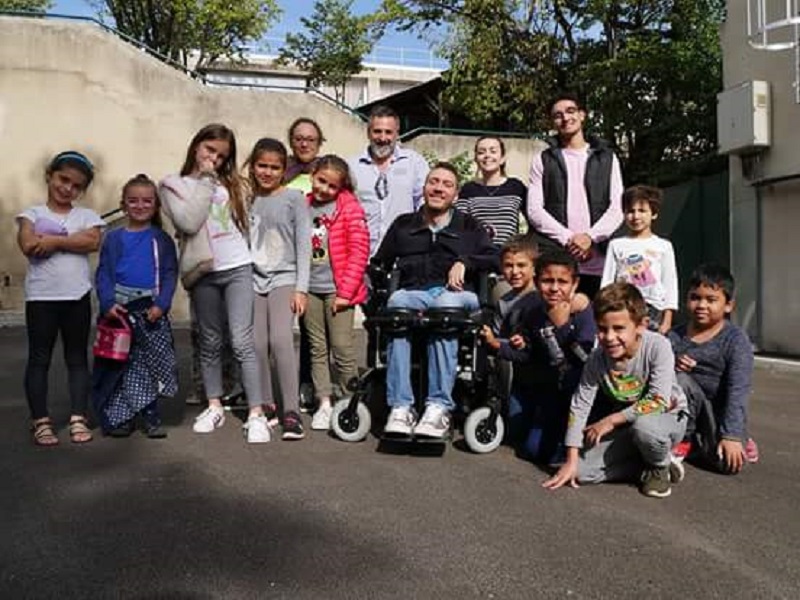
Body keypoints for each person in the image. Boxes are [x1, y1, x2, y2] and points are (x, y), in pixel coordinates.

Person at [159, 123, 269, 444]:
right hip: (203, 271)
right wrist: (206, 180)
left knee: (241, 340)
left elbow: (247, 222)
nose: (214, 159)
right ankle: (214, 404)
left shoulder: (233, 184)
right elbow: (189, 221)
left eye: (221, 156)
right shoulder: (173, 185)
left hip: (237, 267)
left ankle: (256, 413)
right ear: (196, 146)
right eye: (210, 150)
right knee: (209, 341)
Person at [375, 163, 498, 439]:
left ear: (455, 194)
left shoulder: (468, 225)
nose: (438, 188)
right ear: (425, 187)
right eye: (434, 182)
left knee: (445, 308)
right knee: (396, 305)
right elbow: (379, 262)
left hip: (456, 295)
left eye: (446, 184)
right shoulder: (404, 224)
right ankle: (401, 407)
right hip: (414, 293)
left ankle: (438, 408)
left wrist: (465, 261)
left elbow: (495, 258)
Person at [543, 282, 688, 499]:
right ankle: (644, 468)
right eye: (602, 329)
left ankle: (659, 465)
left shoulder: (658, 346)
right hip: (628, 425)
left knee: (645, 427)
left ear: (641, 325)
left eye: (619, 328)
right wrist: (572, 459)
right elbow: (580, 405)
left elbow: (658, 400)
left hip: (664, 419)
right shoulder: (597, 358)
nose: (609, 337)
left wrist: (610, 421)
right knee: (579, 474)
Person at [16, 151, 104, 446]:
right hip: (41, 298)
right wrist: (70, 242)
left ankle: (79, 418)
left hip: (77, 297)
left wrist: (53, 241)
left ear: (82, 190)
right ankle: (40, 421)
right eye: (63, 179)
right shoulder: (33, 214)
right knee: (39, 359)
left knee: (77, 359)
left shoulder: (87, 216)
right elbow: (28, 243)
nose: (67, 188)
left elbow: (91, 241)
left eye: (76, 186)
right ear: (50, 176)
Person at [485, 249, 596, 463]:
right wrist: (497, 345)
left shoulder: (582, 312)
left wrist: (562, 326)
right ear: (536, 282)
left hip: (579, 393)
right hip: (548, 392)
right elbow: (528, 354)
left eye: (562, 282)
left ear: (574, 284)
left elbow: (584, 360)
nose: (554, 288)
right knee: (532, 450)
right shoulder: (534, 312)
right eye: (547, 281)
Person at [93, 174, 179, 439]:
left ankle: (151, 417)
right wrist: (108, 303)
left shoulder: (160, 239)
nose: (140, 206)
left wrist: (162, 305)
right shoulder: (113, 238)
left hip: (150, 309)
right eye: (133, 201)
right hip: (119, 311)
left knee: (150, 365)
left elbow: (168, 273)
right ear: (123, 204)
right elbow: (104, 273)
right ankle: (123, 417)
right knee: (121, 366)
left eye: (146, 201)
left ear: (155, 206)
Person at [527, 92, 624, 299]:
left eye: (570, 111)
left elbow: (617, 206)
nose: (565, 118)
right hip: (558, 261)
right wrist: (570, 239)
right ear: (553, 122)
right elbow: (534, 210)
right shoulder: (543, 159)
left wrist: (590, 237)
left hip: (600, 262)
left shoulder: (607, 158)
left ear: (582, 115)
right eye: (558, 115)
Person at [247, 138, 311, 441]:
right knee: (257, 343)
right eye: (262, 165)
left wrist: (301, 288)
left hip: (284, 276)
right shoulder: (246, 197)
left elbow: (303, 245)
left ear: (284, 170)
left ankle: (291, 411)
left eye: (274, 167)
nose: (268, 172)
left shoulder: (295, 198)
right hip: (252, 277)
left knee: (281, 340)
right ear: (252, 166)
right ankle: (266, 403)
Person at [668, 264, 759, 474]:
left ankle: (738, 438)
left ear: (728, 306)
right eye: (695, 297)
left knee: (726, 465)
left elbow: (739, 390)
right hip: (680, 413)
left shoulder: (735, 340)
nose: (701, 305)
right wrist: (672, 364)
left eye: (711, 299)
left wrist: (732, 436)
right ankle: (682, 442)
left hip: (715, 415)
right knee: (680, 380)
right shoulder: (673, 337)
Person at [304, 155, 370, 431]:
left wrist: (346, 293)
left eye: (332, 186)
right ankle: (324, 402)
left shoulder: (349, 208)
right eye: (321, 181)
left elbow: (359, 252)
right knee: (317, 348)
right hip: (309, 289)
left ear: (340, 187)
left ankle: (349, 400)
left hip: (338, 291)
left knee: (342, 348)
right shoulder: (302, 204)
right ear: (313, 175)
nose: (324, 189)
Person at [348, 105, 430, 256]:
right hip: (362, 257)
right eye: (377, 131)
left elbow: (425, 203)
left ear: (397, 134)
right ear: (368, 133)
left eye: (388, 132)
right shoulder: (352, 166)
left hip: (403, 255)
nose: (383, 138)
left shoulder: (415, 163)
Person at [284, 117, 326, 413]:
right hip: (282, 258)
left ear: (319, 142)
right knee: (278, 330)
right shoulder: (281, 171)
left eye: (310, 138)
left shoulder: (326, 172)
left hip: (317, 260)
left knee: (312, 329)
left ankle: (308, 384)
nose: (304, 143)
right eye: (299, 138)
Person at [601, 185, 678, 334]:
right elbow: (607, 282)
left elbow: (670, 283)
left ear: (653, 214)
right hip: (622, 306)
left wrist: (667, 319)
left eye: (642, 211)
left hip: (654, 308)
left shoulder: (663, 246)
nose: (636, 216)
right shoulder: (616, 245)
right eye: (630, 211)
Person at [457, 136, 529, 248]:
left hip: (508, 256)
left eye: (493, 151)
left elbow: (533, 218)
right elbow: (460, 226)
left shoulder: (516, 187)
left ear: (502, 158)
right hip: (477, 255)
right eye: (481, 152)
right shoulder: (468, 189)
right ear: (476, 158)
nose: (487, 156)